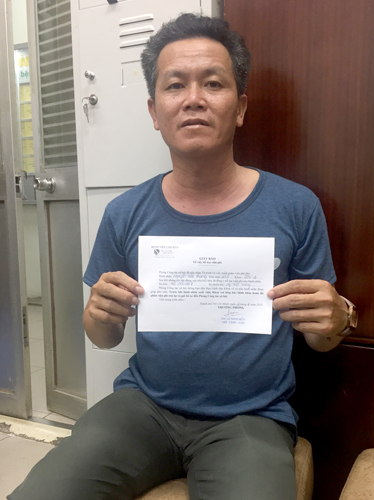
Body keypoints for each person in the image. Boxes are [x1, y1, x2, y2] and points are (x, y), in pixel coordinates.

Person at [9, 13, 356, 500]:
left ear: (240, 107)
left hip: (250, 418)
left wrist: (338, 317)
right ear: (155, 111)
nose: (194, 99)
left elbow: (321, 340)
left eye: (213, 83)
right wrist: (99, 315)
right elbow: (103, 337)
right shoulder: (125, 212)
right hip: (142, 409)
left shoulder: (295, 206)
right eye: (175, 85)